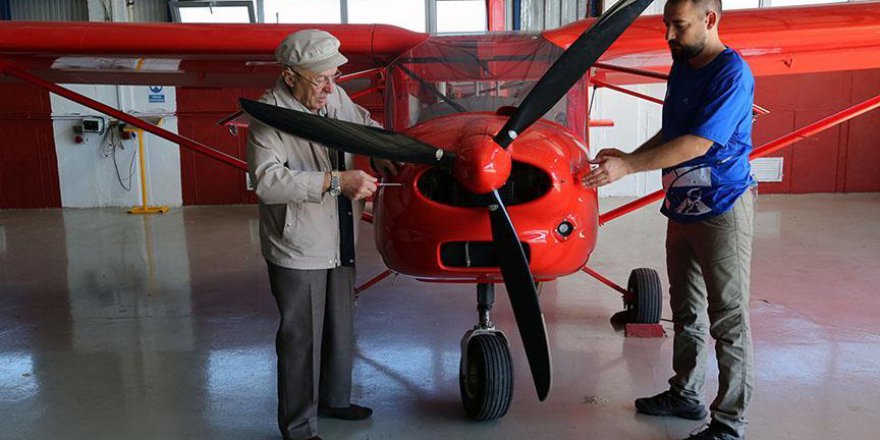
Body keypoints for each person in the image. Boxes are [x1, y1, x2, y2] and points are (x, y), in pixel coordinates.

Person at [584, 1, 756, 439]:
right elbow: (675, 130)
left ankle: (730, 424)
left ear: (709, 19)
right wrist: (630, 156)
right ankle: (686, 393)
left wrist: (629, 169)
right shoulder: (683, 65)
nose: (669, 36)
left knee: (728, 319)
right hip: (682, 205)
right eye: (666, 25)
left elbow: (698, 142)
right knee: (686, 310)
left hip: (721, 208)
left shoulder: (731, 74)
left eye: (677, 26)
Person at [247, 29, 397, 440]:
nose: (331, 87)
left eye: (334, 77)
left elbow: (362, 124)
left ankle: (335, 398)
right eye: (321, 79)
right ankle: (297, 426)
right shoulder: (268, 115)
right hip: (299, 245)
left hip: (339, 236)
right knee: (301, 338)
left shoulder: (330, 94)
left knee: (340, 324)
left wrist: (385, 150)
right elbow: (267, 182)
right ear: (291, 75)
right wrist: (336, 183)